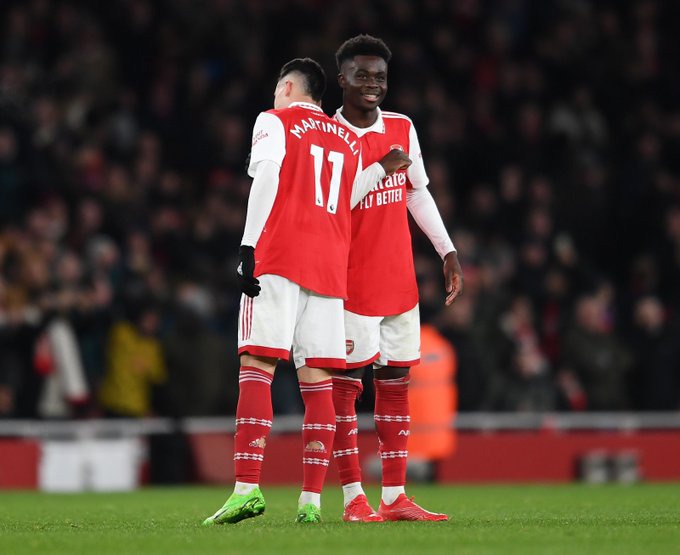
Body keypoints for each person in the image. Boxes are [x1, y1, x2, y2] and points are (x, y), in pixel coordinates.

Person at [202, 58, 410, 525]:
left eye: (278, 89)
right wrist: (381, 169)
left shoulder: (273, 122)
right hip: (330, 271)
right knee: (318, 380)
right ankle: (311, 503)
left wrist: (248, 246)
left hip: (279, 258)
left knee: (257, 364)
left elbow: (268, 176)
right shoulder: (346, 139)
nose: (274, 97)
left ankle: (246, 488)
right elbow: (351, 196)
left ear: (291, 87)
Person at [330, 35, 463, 522]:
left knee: (395, 382)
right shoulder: (328, 135)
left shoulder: (403, 127)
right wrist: (378, 167)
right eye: (362, 76)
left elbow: (417, 193)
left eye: (380, 77)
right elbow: (331, 204)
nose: (373, 85)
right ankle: (352, 499)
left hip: (398, 281)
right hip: (347, 284)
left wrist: (446, 250)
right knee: (345, 387)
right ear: (342, 78)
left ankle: (393, 497)